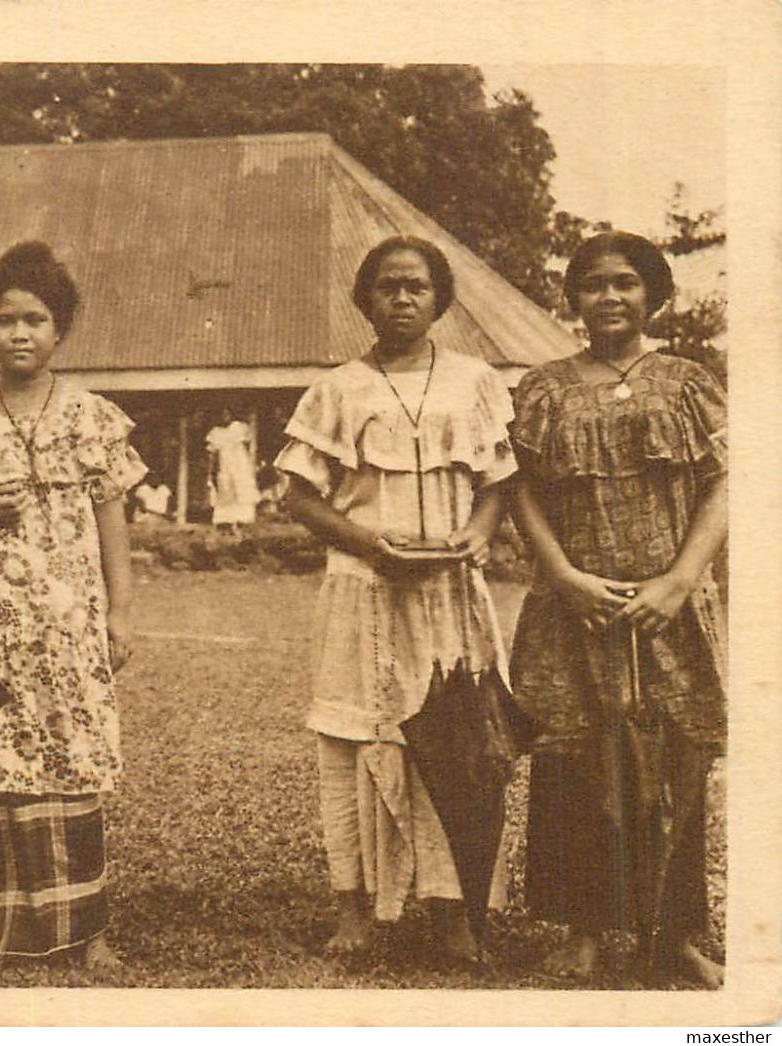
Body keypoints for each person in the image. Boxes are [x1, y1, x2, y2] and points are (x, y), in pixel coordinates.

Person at [274, 235, 516, 962]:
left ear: (439, 299)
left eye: (416, 287)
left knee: (454, 740)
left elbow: (498, 480)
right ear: (365, 299)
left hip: (448, 593)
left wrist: (474, 534)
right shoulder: (337, 388)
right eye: (387, 287)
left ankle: (453, 911)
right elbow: (297, 495)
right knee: (351, 741)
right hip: (364, 590)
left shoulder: (474, 380)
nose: (402, 299)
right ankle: (353, 909)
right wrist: (367, 545)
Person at [0, 242, 143, 967]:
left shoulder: (94, 419)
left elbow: (113, 520)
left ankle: (86, 930)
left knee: (70, 759)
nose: (19, 334)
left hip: (69, 622)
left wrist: (121, 613)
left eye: (35, 320)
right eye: (5, 319)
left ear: (59, 329)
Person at [509, 232, 727, 988]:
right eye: (593, 285)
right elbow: (520, 491)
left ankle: (675, 933)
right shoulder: (543, 388)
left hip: (667, 602)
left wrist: (676, 582)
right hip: (575, 603)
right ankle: (584, 927)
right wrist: (563, 575)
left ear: (652, 295)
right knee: (574, 758)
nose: (609, 298)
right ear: (571, 299)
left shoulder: (687, 382)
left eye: (625, 284)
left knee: (675, 758)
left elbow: (724, 484)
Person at [205, 407, 259, 532]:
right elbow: (212, 454)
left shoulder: (239, 427)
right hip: (224, 465)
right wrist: (211, 470)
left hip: (240, 464)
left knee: (242, 488)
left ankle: (242, 520)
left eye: (227, 414)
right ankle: (226, 521)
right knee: (226, 491)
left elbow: (249, 445)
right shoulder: (215, 432)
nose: (224, 417)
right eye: (221, 414)